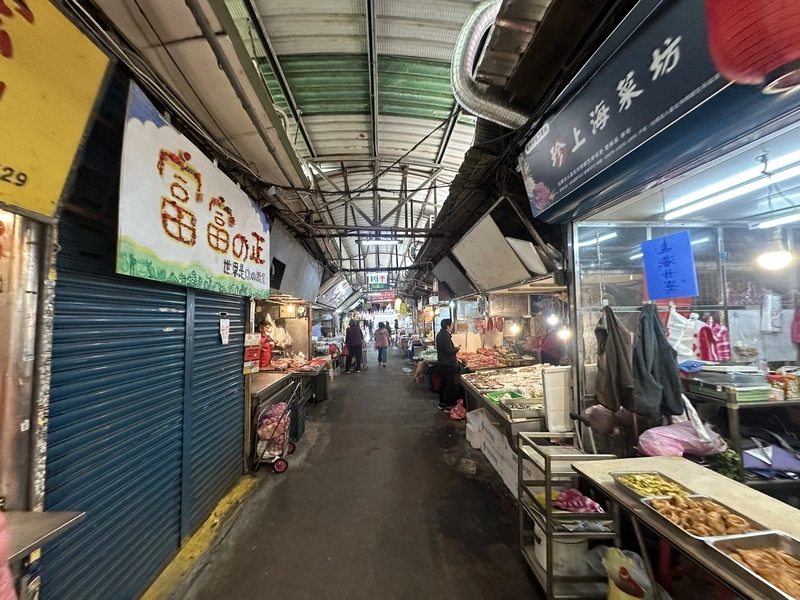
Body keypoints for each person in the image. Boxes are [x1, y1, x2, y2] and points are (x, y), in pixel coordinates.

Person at [435, 318, 460, 411]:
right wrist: (457, 349)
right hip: (447, 364)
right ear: (447, 326)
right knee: (449, 384)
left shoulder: (440, 334)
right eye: (451, 325)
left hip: (442, 363)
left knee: (443, 383)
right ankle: (448, 405)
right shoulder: (445, 336)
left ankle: (442, 403)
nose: (452, 327)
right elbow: (449, 351)